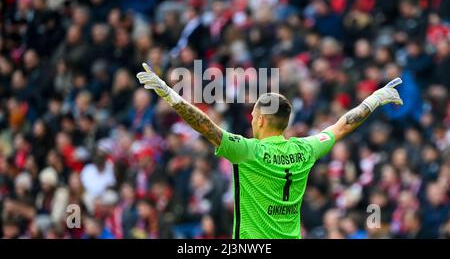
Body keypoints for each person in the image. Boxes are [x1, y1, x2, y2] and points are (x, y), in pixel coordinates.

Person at [136, 63, 403, 239]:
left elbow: (205, 125)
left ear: (261, 120)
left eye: (253, 116)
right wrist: (375, 99)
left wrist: (170, 95)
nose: (251, 119)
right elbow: (343, 125)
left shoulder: (248, 151)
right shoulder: (306, 148)